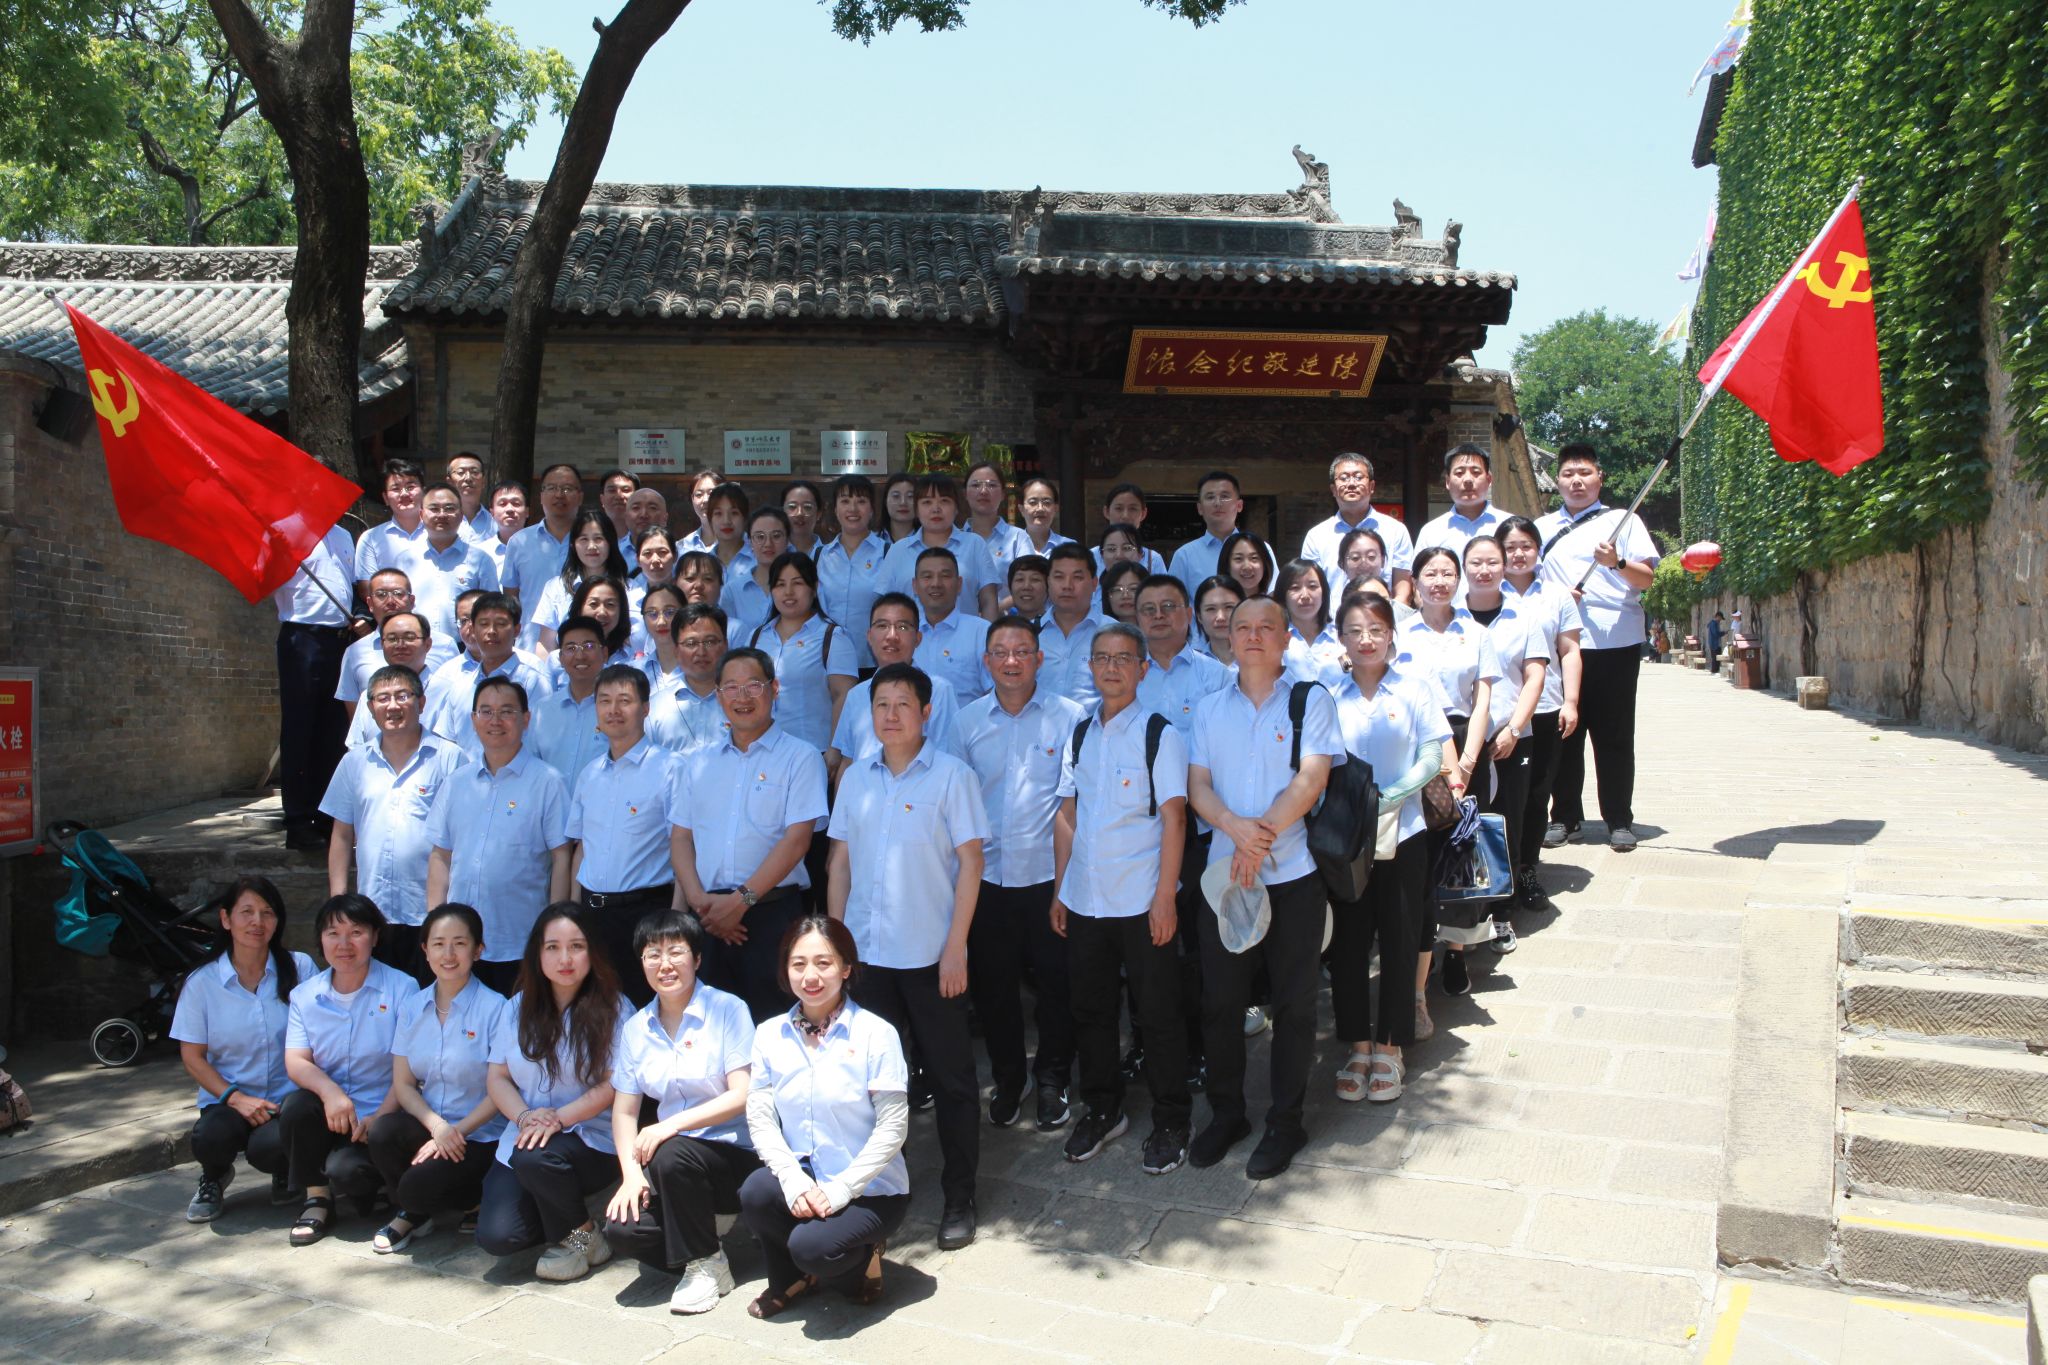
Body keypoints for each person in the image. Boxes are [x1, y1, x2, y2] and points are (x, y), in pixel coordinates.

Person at [826, 664, 988, 1249]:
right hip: (867, 960)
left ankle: (959, 1195)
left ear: (926, 713)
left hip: (930, 956)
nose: (890, 715)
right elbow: (839, 863)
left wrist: (956, 947)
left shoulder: (952, 776)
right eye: (880, 705)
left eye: (902, 704)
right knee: (869, 1084)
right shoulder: (855, 779)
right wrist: (834, 950)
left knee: (952, 1081)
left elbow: (972, 864)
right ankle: (873, 1195)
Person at [1185, 596, 1340, 1179]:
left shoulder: (1310, 699)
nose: (1252, 636)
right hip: (1225, 879)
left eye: (1265, 627)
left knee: (1295, 1005)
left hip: (1293, 875)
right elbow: (1198, 786)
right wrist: (1236, 832)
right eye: (1242, 627)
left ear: (1285, 638)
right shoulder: (1208, 709)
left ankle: (1285, 1121)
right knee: (1220, 1002)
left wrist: (1260, 838)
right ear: (1228, 636)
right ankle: (1227, 1114)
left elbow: (1312, 778)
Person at [1052, 622, 1192, 1173]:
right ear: (1090, 667)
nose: (1111, 668)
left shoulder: (1160, 734)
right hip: (1086, 898)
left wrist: (1165, 897)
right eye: (1102, 659)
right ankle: (1103, 1108)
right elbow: (1068, 815)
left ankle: (1172, 1118)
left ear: (1142, 669)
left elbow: (1175, 819)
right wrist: (1060, 890)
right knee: (1090, 1010)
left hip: (1141, 898)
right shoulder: (1080, 734)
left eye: (1123, 659)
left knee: (1157, 1014)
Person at [739, 916, 910, 1318]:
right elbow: (760, 1114)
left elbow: (893, 1127)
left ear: (846, 968)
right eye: (798, 964)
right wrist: (791, 1178)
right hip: (807, 1173)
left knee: (812, 1248)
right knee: (755, 1193)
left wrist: (841, 1190)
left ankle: (862, 1257)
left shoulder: (876, 1034)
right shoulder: (769, 1034)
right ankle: (790, 1278)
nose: (810, 976)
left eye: (824, 963)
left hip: (871, 1188)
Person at [955, 617, 1082, 1131]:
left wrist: (1065, 887)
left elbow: (1073, 806)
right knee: (994, 990)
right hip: (986, 880)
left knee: (1056, 986)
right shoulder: (964, 722)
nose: (1012, 661)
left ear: (1039, 658)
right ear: (987, 660)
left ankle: (1053, 1078)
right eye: (1001, 652)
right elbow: (954, 804)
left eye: (1022, 651)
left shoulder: (1069, 717)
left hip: (1048, 876)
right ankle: (1010, 1078)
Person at [603, 909, 761, 1315]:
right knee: (620, 1230)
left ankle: (704, 1264)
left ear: (697, 959)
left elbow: (742, 1094)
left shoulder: (727, 1009)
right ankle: (579, 1238)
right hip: (669, 1166)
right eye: (652, 955)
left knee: (670, 1152)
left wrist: (668, 1125)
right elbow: (623, 1111)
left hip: (732, 1156)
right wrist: (630, 1176)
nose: (665, 964)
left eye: (675, 952)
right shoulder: (636, 1028)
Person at [1327, 593, 1448, 1102]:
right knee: (1348, 945)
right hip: (1346, 837)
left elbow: (1432, 754)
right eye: (1355, 630)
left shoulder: (1414, 688)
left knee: (1400, 938)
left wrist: (1394, 795)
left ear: (1391, 635)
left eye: (1376, 629)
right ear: (1341, 638)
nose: (1366, 639)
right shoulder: (1327, 694)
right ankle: (1358, 1046)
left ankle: (1392, 1047)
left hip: (1406, 831)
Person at [670, 648, 829, 1023]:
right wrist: (699, 902)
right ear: (718, 695)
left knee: (774, 1026)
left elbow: (797, 840)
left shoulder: (801, 757)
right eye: (731, 687)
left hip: (771, 913)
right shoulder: (699, 762)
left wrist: (741, 901)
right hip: (708, 916)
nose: (742, 697)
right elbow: (680, 838)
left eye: (753, 685)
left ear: (774, 688)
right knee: (709, 1030)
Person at [478, 905, 629, 1281]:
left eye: (577, 946)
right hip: (526, 1134)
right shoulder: (517, 1007)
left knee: (535, 1159)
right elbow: (498, 1078)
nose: (565, 959)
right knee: (500, 1236)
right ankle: (581, 1226)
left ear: (592, 952)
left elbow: (614, 1083)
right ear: (537, 953)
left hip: (590, 1138)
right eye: (553, 947)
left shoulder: (615, 1008)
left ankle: (580, 1240)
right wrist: (525, 1117)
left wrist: (559, 1119)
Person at [1535, 444, 1658, 851]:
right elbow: (1525, 583)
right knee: (1563, 734)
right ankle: (1564, 816)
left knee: (1614, 735)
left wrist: (1616, 563)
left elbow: (1646, 579)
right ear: (1557, 480)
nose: (1576, 481)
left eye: (1584, 473)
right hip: (1561, 645)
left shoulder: (1623, 521)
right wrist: (1556, 596)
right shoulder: (1541, 527)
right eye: (1568, 473)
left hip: (1614, 641)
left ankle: (1619, 819)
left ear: (1599, 478)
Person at [365, 902, 507, 1252]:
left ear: (478, 950)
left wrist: (456, 1132)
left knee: (503, 1234)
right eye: (439, 944)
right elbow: (403, 1084)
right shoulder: (413, 1007)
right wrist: (438, 1127)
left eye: (460, 943)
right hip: (435, 1127)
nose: (449, 954)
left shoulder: (497, 1009)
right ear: (425, 949)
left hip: (482, 1136)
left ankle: (469, 1201)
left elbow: (501, 1088)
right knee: (383, 1132)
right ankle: (418, 1212)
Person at [173, 876, 316, 1222]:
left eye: (267, 912)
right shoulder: (202, 983)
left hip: (286, 1099)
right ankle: (214, 1175)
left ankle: (286, 1169)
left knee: (271, 1147)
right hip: (228, 1099)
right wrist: (235, 1098)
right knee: (210, 1137)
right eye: (247, 912)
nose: (257, 922)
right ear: (226, 919)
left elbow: (322, 1038)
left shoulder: (301, 968)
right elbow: (192, 1057)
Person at [276, 895, 414, 1244]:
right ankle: (317, 1198)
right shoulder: (305, 995)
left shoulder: (402, 988)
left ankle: (384, 1191)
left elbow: (410, 1067)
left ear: (375, 936)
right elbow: (296, 1061)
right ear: (320, 939)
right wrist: (331, 1093)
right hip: (333, 1114)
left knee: (349, 1172)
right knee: (295, 1107)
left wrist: (381, 1116)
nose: (344, 944)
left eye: (356, 932)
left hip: (383, 1114)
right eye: (333, 933)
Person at [426, 676, 574, 993]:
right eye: (486, 711)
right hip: (460, 945)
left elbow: (562, 858)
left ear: (526, 719)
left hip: (520, 940)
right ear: (473, 719)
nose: (495, 721)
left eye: (507, 711)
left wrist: (554, 927)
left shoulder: (548, 782)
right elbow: (441, 855)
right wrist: (435, 922)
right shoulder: (456, 783)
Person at [1400, 547, 1504, 998]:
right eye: (1430, 573)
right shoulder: (1400, 632)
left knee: (1463, 850)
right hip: (1416, 742)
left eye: (1447, 573)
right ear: (1415, 581)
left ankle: (1458, 952)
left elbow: (1483, 701)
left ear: (1458, 580)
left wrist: (1466, 762)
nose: (1439, 581)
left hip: (1465, 739)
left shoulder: (1476, 633)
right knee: (1423, 848)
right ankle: (1419, 949)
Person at [320, 664, 465, 982]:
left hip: (431, 913)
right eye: (382, 698)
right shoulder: (354, 762)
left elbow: (464, 836)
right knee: (377, 1000)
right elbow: (342, 835)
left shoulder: (451, 759)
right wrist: (338, 901)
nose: (393, 705)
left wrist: (446, 912)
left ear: (421, 702)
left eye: (402, 696)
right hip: (373, 914)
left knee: (430, 998)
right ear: (370, 708)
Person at [569, 666, 679, 1004]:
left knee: (645, 1009)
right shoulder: (589, 774)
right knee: (592, 1009)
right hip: (592, 914)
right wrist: (572, 914)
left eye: (624, 700)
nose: (613, 710)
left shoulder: (671, 768)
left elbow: (683, 846)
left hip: (646, 914)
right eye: (605, 701)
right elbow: (581, 849)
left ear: (645, 708)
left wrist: (676, 920)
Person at [1463, 534, 1550, 952]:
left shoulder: (1523, 616)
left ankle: (1501, 913)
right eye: (1475, 563)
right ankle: (1462, 914)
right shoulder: (1449, 617)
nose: (1484, 570)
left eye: (1492, 563)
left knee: (1506, 825)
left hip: (1510, 737)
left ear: (1504, 566)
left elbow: (1535, 676)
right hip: (1459, 740)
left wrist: (1514, 728)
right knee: (1463, 826)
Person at [1499, 517, 1581, 911]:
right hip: (1500, 712)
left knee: (1535, 794)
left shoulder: (1557, 595)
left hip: (1546, 708)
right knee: (1501, 797)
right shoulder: (1482, 591)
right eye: (1510, 547)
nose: (1518, 554)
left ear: (1538, 550)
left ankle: (1527, 869)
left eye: (1526, 546)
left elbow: (1570, 650)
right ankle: (1498, 871)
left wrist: (1571, 701)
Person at [274, 521, 357, 851]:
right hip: (303, 635)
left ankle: (326, 816)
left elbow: (351, 584)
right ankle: (297, 819)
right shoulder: (284, 531)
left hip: (340, 638)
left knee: (333, 730)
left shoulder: (344, 535)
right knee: (300, 728)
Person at [824, 595, 963, 780]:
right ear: (869, 636)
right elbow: (848, 762)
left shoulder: (938, 691)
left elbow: (946, 760)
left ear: (918, 638)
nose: (892, 636)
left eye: (902, 627)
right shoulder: (856, 695)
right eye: (882, 626)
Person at [421, 593, 554, 756]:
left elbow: (541, 741)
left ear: (517, 630)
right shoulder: (461, 685)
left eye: (501, 624)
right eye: (483, 624)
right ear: (473, 629)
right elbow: (448, 742)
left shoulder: (534, 682)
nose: (491, 631)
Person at [748, 551, 857, 750]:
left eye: (797, 583)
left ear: (814, 589)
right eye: (780, 584)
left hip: (815, 751)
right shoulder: (756, 637)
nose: (788, 592)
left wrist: (835, 750)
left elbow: (844, 696)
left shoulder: (833, 637)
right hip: (762, 751)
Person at [879, 474, 1000, 619]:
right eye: (927, 502)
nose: (936, 509)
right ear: (916, 510)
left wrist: (987, 633)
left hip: (965, 633)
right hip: (911, 633)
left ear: (956, 508)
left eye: (944, 501)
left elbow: (989, 600)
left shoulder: (974, 544)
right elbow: (885, 604)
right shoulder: (898, 550)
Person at [1299, 453, 1415, 604]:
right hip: (1333, 619)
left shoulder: (1396, 530)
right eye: (1344, 478)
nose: (1351, 483)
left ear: (1371, 486)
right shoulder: (1316, 536)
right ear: (1333, 489)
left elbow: (1403, 591)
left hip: (1383, 617)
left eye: (1358, 477)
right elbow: (1310, 587)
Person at [816, 474, 890, 672]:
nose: (853, 509)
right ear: (835, 509)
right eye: (845, 501)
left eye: (861, 501)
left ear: (872, 510)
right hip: (826, 661)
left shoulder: (887, 553)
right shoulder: (819, 556)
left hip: (873, 662)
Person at [531, 509, 631, 653]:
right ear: (573, 544)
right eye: (584, 539)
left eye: (599, 539)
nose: (592, 546)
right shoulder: (556, 587)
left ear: (611, 543)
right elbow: (546, 645)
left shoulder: (631, 589)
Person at [530, 616, 609, 797]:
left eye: (589, 646)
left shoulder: (617, 711)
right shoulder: (543, 710)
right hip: (550, 809)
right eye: (571, 648)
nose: (580, 655)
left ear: (604, 653)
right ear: (560, 658)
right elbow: (532, 766)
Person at [412, 483, 500, 641]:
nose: (442, 514)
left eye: (449, 508)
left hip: (465, 646)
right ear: (421, 514)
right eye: (434, 508)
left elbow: (493, 608)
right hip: (415, 645)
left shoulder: (481, 560)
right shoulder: (406, 558)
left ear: (461, 515)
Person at [911, 546, 993, 704]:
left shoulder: (982, 633)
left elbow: (996, 694)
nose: (936, 583)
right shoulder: (904, 634)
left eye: (945, 576)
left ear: (959, 584)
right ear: (915, 585)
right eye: (927, 576)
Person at [648, 603, 730, 755]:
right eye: (691, 643)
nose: (701, 652)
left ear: (725, 645)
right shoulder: (655, 707)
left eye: (710, 642)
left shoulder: (742, 701)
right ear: (676, 651)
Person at [1037, 543, 1111, 708]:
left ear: (1094, 583)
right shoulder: (1030, 634)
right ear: (1048, 582)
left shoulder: (1115, 634)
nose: (1067, 586)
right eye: (1059, 577)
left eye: (1077, 577)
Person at [504, 464, 583, 605]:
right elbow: (511, 596)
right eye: (551, 488)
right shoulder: (519, 542)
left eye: (567, 488)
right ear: (541, 496)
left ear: (580, 497)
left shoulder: (594, 541)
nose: (559, 495)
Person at [1414, 444, 1505, 557]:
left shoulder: (1507, 525)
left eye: (1476, 472)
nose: (1468, 479)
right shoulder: (1431, 531)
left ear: (1489, 479)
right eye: (1459, 473)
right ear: (1448, 482)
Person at [1169, 470, 1244, 600]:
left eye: (1224, 496)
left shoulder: (1260, 549)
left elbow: (1271, 595)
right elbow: (1173, 602)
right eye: (1210, 497)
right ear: (1200, 508)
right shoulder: (1184, 556)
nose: (1217, 503)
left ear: (1239, 505)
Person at [354, 458, 428, 590]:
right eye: (396, 489)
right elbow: (366, 589)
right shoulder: (371, 539)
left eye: (410, 487)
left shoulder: (442, 533)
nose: (404, 494)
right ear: (385, 498)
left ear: (423, 492)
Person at [722, 506, 791, 638]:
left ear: (788, 540)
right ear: (749, 542)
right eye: (760, 537)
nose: (768, 543)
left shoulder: (799, 587)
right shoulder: (732, 591)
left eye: (776, 536)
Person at [1275, 558, 1346, 686]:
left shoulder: (1342, 636)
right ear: (1283, 595)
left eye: (1312, 586)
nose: (1305, 596)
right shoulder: (1274, 640)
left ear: (1324, 592)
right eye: (1295, 588)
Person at [961, 461, 1032, 585]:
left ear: (1003, 494)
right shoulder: (954, 538)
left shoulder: (1018, 539)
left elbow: (1027, 583)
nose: (983, 491)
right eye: (976, 485)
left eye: (992, 485)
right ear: (965, 493)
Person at [1092, 483, 1169, 575]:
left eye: (1132, 509)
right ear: (1107, 512)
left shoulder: (1153, 560)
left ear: (1143, 513)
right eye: (1119, 508)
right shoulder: (1091, 557)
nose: (1125, 516)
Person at [637, 583, 688, 688]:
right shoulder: (634, 671)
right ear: (644, 619)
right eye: (652, 614)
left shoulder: (702, 666)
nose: (661, 622)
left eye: (670, 612)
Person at [479, 479, 530, 578]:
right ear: (492, 512)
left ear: (527, 512)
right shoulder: (481, 553)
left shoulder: (541, 550)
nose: (509, 509)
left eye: (516, 503)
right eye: (502, 504)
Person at [1016, 476, 1075, 559]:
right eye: (1033, 502)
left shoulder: (1070, 548)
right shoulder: (1011, 547)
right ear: (1021, 509)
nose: (1040, 508)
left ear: (1055, 508)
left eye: (1047, 502)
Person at [703, 482, 754, 578]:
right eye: (718, 513)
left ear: (745, 518)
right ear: (710, 520)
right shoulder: (703, 562)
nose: (726, 521)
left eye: (734, 513)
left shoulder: (759, 560)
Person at [447, 451, 497, 545]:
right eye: (461, 472)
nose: (468, 478)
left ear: (483, 481)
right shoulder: (438, 522)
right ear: (449, 482)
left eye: (474, 472)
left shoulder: (496, 524)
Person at [1192, 576, 1245, 663]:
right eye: (1211, 609)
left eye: (1229, 607)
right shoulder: (1192, 665)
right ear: (1199, 616)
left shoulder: (1263, 660)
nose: (1220, 617)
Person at [1218, 529, 1278, 601]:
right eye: (1238, 558)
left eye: (1254, 558)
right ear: (1227, 565)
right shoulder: (1218, 605)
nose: (1247, 566)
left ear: (1264, 565)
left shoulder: (1276, 605)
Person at [1336, 527, 1390, 596]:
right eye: (1355, 558)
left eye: (1371, 556)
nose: (1364, 563)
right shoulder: (1338, 602)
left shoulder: (1390, 602)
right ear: (1342, 564)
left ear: (1383, 561)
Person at [678, 471, 723, 554]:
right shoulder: (682, 547)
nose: (705, 500)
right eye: (699, 494)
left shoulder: (745, 543)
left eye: (712, 493)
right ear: (692, 499)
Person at [779, 480, 824, 557]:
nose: (799, 513)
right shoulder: (771, 553)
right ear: (782, 511)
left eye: (807, 507)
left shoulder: (832, 556)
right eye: (792, 507)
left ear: (818, 514)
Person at [1098, 559, 1148, 627]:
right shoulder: (1098, 631)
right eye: (1117, 590)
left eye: (1133, 589)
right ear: (1107, 596)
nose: (1125, 596)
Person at [878, 472, 918, 544]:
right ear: (885, 501)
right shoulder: (871, 542)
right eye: (896, 496)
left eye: (910, 496)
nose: (903, 502)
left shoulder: (928, 542)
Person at [1007, 554, 1050, 621]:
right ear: (1010, 588)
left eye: (1035, 579)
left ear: (1049, 587)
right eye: (1020, 579)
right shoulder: (1001, 627)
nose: (1026, 586)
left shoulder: (1062, 626)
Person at [1705, 610, 1726, 674]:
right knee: (1715, 658)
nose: (1720, 620)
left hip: (1715, 644)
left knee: (1716, 658)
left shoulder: (1714, 623)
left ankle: (1715, 670)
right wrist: (1723, 633)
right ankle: (1714, 670)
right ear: (1718, 617)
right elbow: (1716, 634)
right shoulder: (1713, 624)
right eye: (1720, 618)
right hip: (1714, 644)